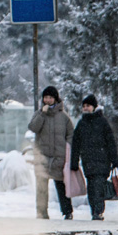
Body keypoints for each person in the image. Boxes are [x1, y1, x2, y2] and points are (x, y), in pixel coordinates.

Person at [69, 94, 118, 221]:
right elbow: (75, 144)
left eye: (88, 106)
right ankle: (95, 211)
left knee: (98, 186)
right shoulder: (81, 124)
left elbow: (111, 143)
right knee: (92, 187)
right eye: (84, 106)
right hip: (88, 162)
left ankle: (98, 211)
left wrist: (115, 161)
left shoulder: (102, 122)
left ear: (94, 107)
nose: (86, 108)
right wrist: (74, 162)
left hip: (103, 161)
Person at [28, 86, 74, 220]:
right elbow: (33, 128)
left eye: (50, 97)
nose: (47, 100)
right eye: (45, 97)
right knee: (41, 187)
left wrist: (67, 150)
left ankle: (67, 212)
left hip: (59, 157)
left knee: (61, 186)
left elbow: (70, 134)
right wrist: (42, 114)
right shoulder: (39, 114)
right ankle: (41, 213)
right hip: (42, 157)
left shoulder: (64, 117)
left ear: (55, 99)